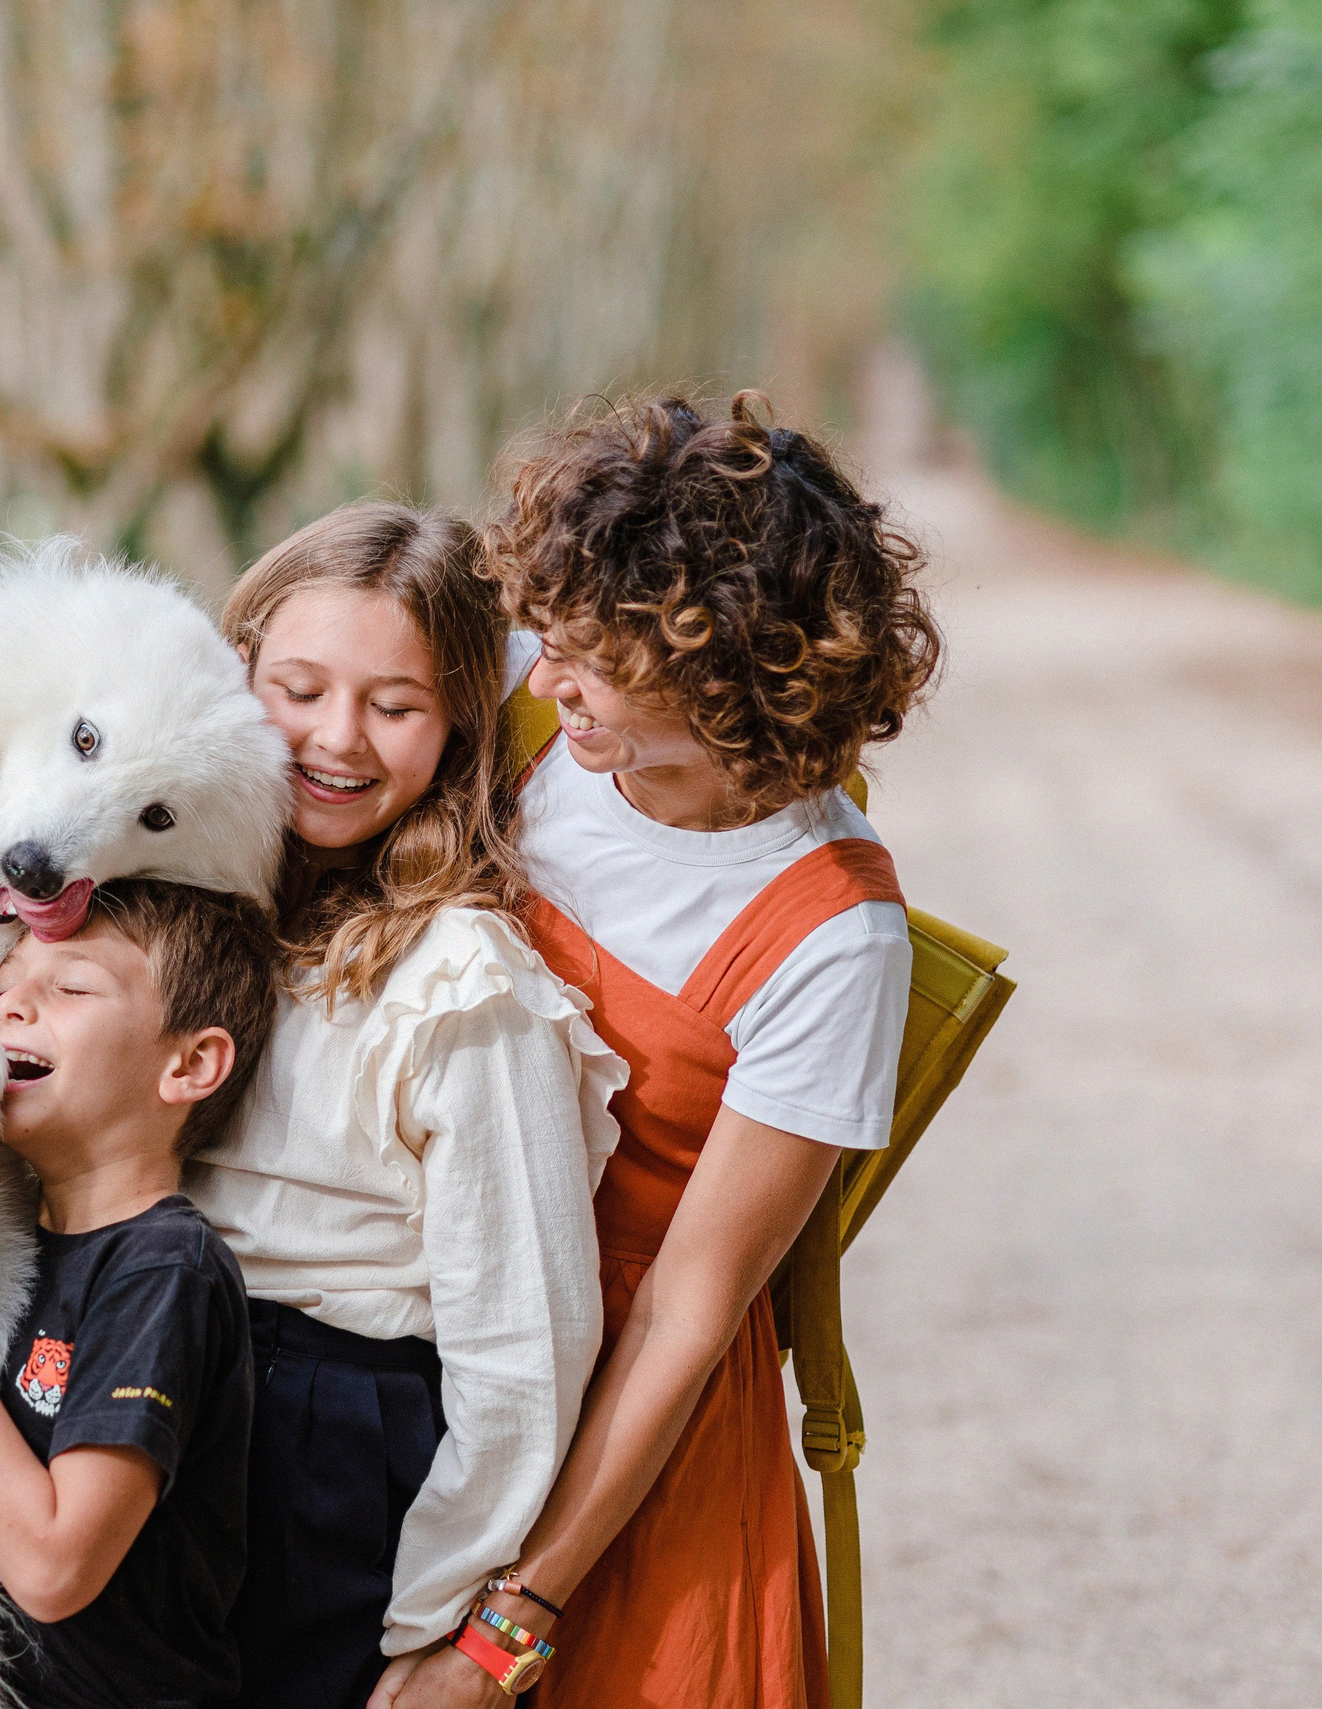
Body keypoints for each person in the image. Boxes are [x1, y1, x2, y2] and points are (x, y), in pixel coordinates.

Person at [375, 393, 943, 1709]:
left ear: (735, 671)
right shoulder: (538, 716)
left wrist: (510, 1626)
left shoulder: (830, 932)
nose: (549, 677)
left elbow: (693, 1307)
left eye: (598, 660)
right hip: (434, 1332)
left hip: (635, 1443)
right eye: (556, 638)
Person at [182, 504, 627, 1709]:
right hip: (148, 1377)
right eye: (299, 689)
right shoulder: (177, 899)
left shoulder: (463, 982)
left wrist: (442, 1627)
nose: (336, 738)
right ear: (233, 672)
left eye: (394, 705)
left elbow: (524, 1347)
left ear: (459, 729)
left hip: (320, 1446)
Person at [0, 880, 282, 1709]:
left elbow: (54, 1568)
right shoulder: (7, 1238)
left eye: (70, 987)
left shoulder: (165, 1267)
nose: (9, 1008)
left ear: (190, 1064)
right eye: (7, 983)